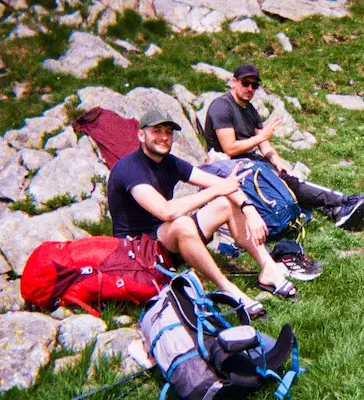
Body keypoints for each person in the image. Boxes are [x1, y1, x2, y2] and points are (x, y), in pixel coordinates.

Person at [107, 110, 300, 317]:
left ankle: (269, 269)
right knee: (183, 222)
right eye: (157, 131)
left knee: (226, 202)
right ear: (141, 135)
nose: (163, 137)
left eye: (168, 132)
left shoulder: (170, 163)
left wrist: (249, 209)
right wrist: (219, 189)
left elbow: (223, 185)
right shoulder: (129, 169)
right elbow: (166, 211)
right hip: (138, 248)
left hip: (166, 238)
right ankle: (228, 288)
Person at [203, 63, 364, 229]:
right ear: (234, 82)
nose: (250, 89)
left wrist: (275, 159)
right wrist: (261, 137)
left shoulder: (250, 109)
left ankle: (337, 210)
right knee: (287, 182)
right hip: (228, 166)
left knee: (286, 178)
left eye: (254, 85)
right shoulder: (222, 107)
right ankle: (344, 202)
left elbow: (263, 143)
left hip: (249, 161)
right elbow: (229, 148)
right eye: (245, 83)